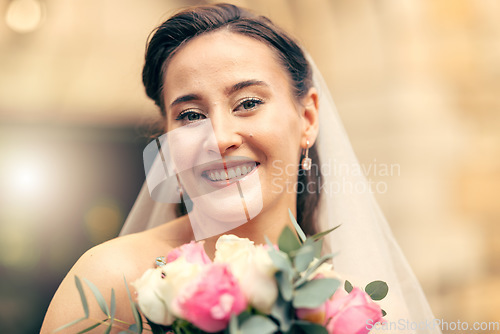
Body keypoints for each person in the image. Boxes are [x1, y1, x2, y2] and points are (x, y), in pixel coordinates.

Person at [42, 3, 440, 334]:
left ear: (308, 117)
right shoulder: (111, 282)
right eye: (191, 115)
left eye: (248, 103)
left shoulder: (357, 301)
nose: (218, 138)